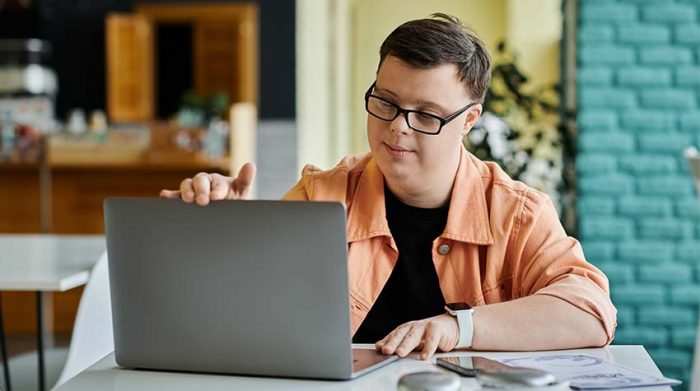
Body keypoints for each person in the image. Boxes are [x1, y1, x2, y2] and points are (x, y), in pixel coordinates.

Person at [160, 13, 616, 361]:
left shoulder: (517, 213)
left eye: (426, 115)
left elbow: (591, 311)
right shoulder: (323, 194)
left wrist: (459, 328)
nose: (397, 128)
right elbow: (245, 311)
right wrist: (228, 233)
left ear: (469, 122)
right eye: (386, 102)